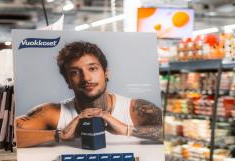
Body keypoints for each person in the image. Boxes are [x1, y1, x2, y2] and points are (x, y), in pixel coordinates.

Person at [15, 41, 163, 147]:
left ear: (106, 73)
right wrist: (60, 135)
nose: (86, 78)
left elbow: (176, 136)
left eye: (92, 69)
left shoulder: (135, 109)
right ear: (67, 80)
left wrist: (127, 129)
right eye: (75, 72)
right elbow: (9, 137)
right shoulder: (52, 113)